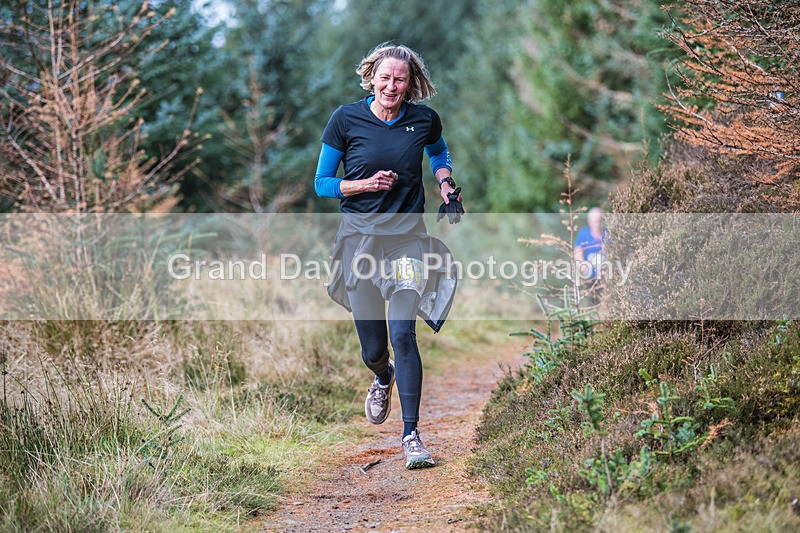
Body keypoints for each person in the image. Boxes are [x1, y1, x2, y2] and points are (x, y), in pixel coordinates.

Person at [314, 43, 463, 469]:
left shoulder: (423, 119)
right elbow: (322, 183)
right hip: (360, 241)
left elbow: (438, 151)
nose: (391, 86)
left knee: (403, 334)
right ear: (371, 77)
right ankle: (382, 376)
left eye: (400, 79)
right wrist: (362, 185)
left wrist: (446, 182)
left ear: (410, 83)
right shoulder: (346, 119)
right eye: (385, 78)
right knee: (374, 348)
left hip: (407, 238)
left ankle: (412, 434)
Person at [574, 207, 608, 280]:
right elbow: (578, 251)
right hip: (589, 277)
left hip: (606, 276)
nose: (597, 224)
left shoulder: (608, 233)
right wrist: (583, 267)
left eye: (600, 221)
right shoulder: (583, 233)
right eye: (595, 221)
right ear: (589, 221)